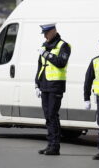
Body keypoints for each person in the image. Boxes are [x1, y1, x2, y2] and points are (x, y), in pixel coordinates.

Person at [35, 23, 71, 155]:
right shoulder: (45, 45)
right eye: (44, 33)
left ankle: (55, 146)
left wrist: (46, 54)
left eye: (46, 33)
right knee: (47, 116)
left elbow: (61, 63)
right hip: (44, 85)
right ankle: (50, 144)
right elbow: (40, 66)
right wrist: (37, 83)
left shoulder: (64, 46)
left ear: (54, 31)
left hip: (56, 85)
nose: (45, 36)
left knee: (52, 115)